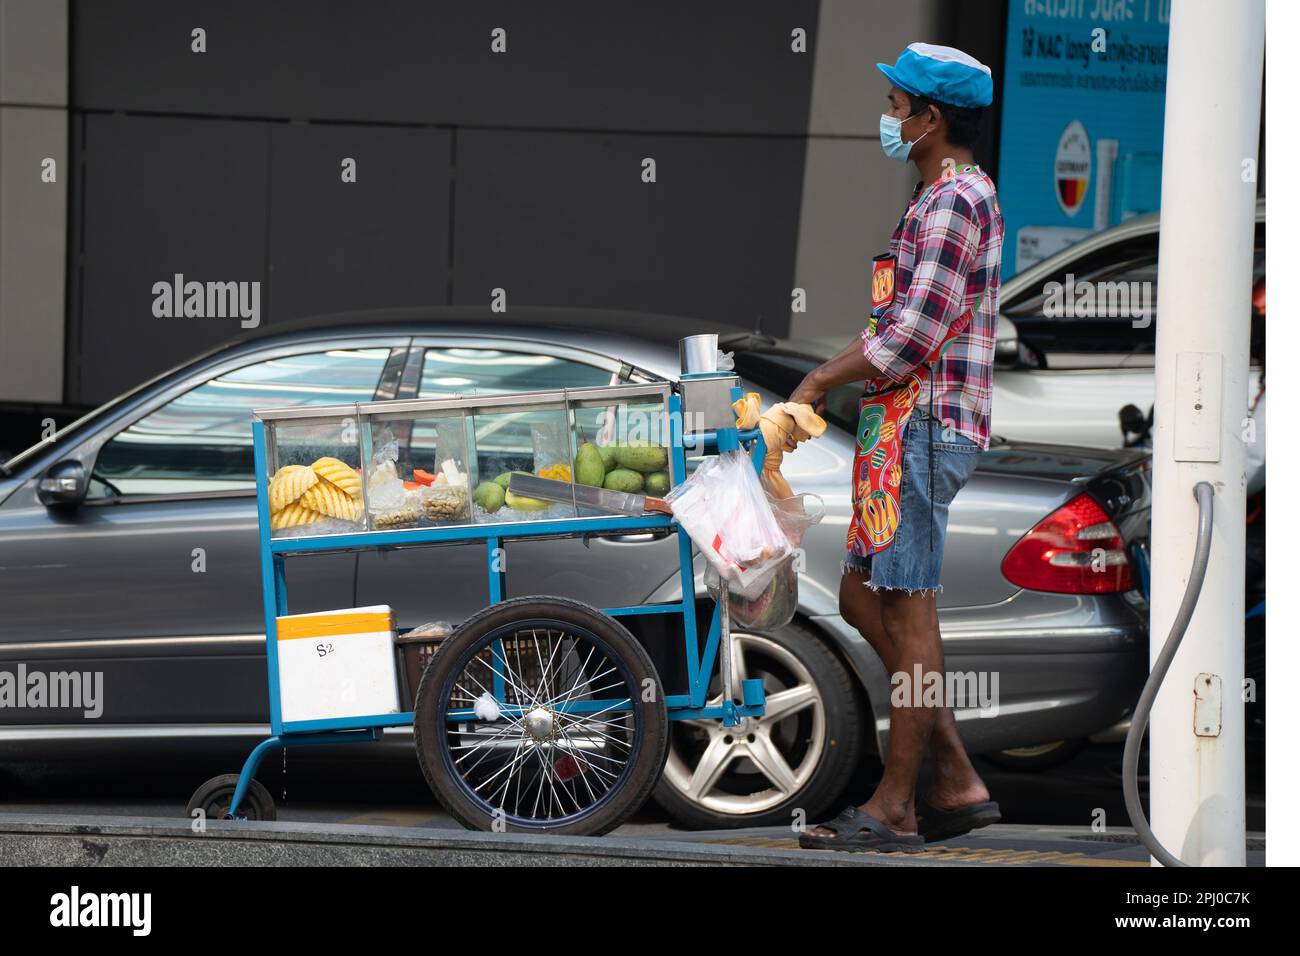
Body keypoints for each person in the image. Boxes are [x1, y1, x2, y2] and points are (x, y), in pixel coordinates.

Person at [789, 42, 1004, 852]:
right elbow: (891, 325)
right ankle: (952, 775)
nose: (887, 118)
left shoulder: (955, 203)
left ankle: (896, 805)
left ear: (931, 117)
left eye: (894, 105)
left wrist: (816, 382)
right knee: (856, 596)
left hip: (925, 426)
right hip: (895, 431)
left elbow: (909, 338)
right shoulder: (931, 198)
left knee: (910, 614)